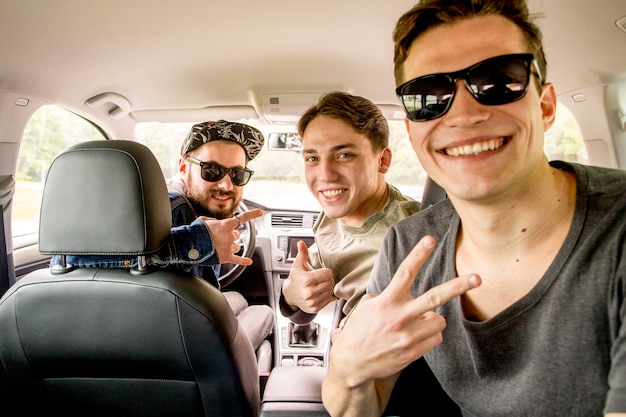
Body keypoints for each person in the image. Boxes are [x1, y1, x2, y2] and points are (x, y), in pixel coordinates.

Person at [322, 1, 626, 416]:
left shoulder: (617, 235)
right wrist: (346, 369)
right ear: (412, 131)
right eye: (429, 96)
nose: (464, 115)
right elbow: (356, 406)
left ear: (545, 105)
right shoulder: (407, 246)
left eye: (499, 81)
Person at [52, 120, 274, 362]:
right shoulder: (168, 208)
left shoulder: (177, 206)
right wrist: (199, 242)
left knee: (239, 299)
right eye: (211, 170)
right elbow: (70, 257)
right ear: (183, 167)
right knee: (264, 312)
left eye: (238, 174)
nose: (225, 184)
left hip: (182, 320)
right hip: (182, 350)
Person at [279, 91, 420, 327]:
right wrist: (291, 294)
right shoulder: (334, 216)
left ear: (382, 161)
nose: (325, 175)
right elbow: (304, 300)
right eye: (312, 159)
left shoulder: (412, 232)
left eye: (344, 155)